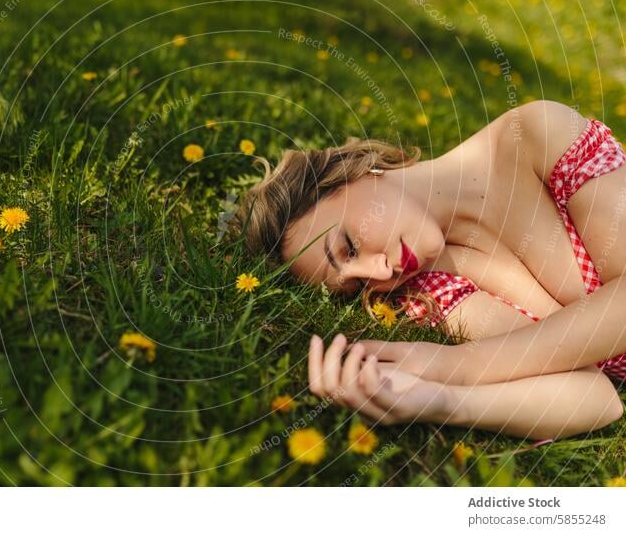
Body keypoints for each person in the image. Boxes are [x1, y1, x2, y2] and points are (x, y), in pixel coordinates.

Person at [232, 100, 626, 440]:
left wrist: (454, 364)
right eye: (356, 285)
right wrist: (442, 401)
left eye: (348, 245)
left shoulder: (538, 137)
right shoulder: (432, 288)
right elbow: (596, 396)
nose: (380, 273)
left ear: (351, 174)